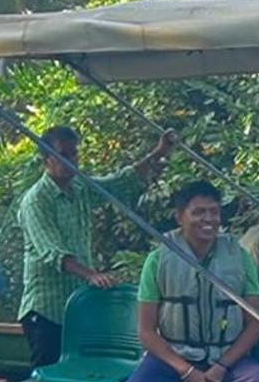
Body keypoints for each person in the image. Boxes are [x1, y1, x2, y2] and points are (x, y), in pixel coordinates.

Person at [17, 123, 175, 368]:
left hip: (78, 308)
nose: (71, 161)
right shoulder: (36, 200)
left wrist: (159, 152)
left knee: (81, 368)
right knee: (47, 372)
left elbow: (119, 183)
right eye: (63, 155)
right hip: (47, 310)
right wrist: (92, 275)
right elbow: (53, 252)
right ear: (47, 159)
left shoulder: (79, 188)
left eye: (74, 154)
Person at [121, 181, 259, 382]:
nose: (208, 219)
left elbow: (255, 323)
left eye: (214, 212)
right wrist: (186, 371)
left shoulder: (240, 258)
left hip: (227, 359)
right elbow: (146, 331)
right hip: (174, 359)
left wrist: (221, 366)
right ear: (180, 217)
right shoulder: (158, 260)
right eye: (198, 212)